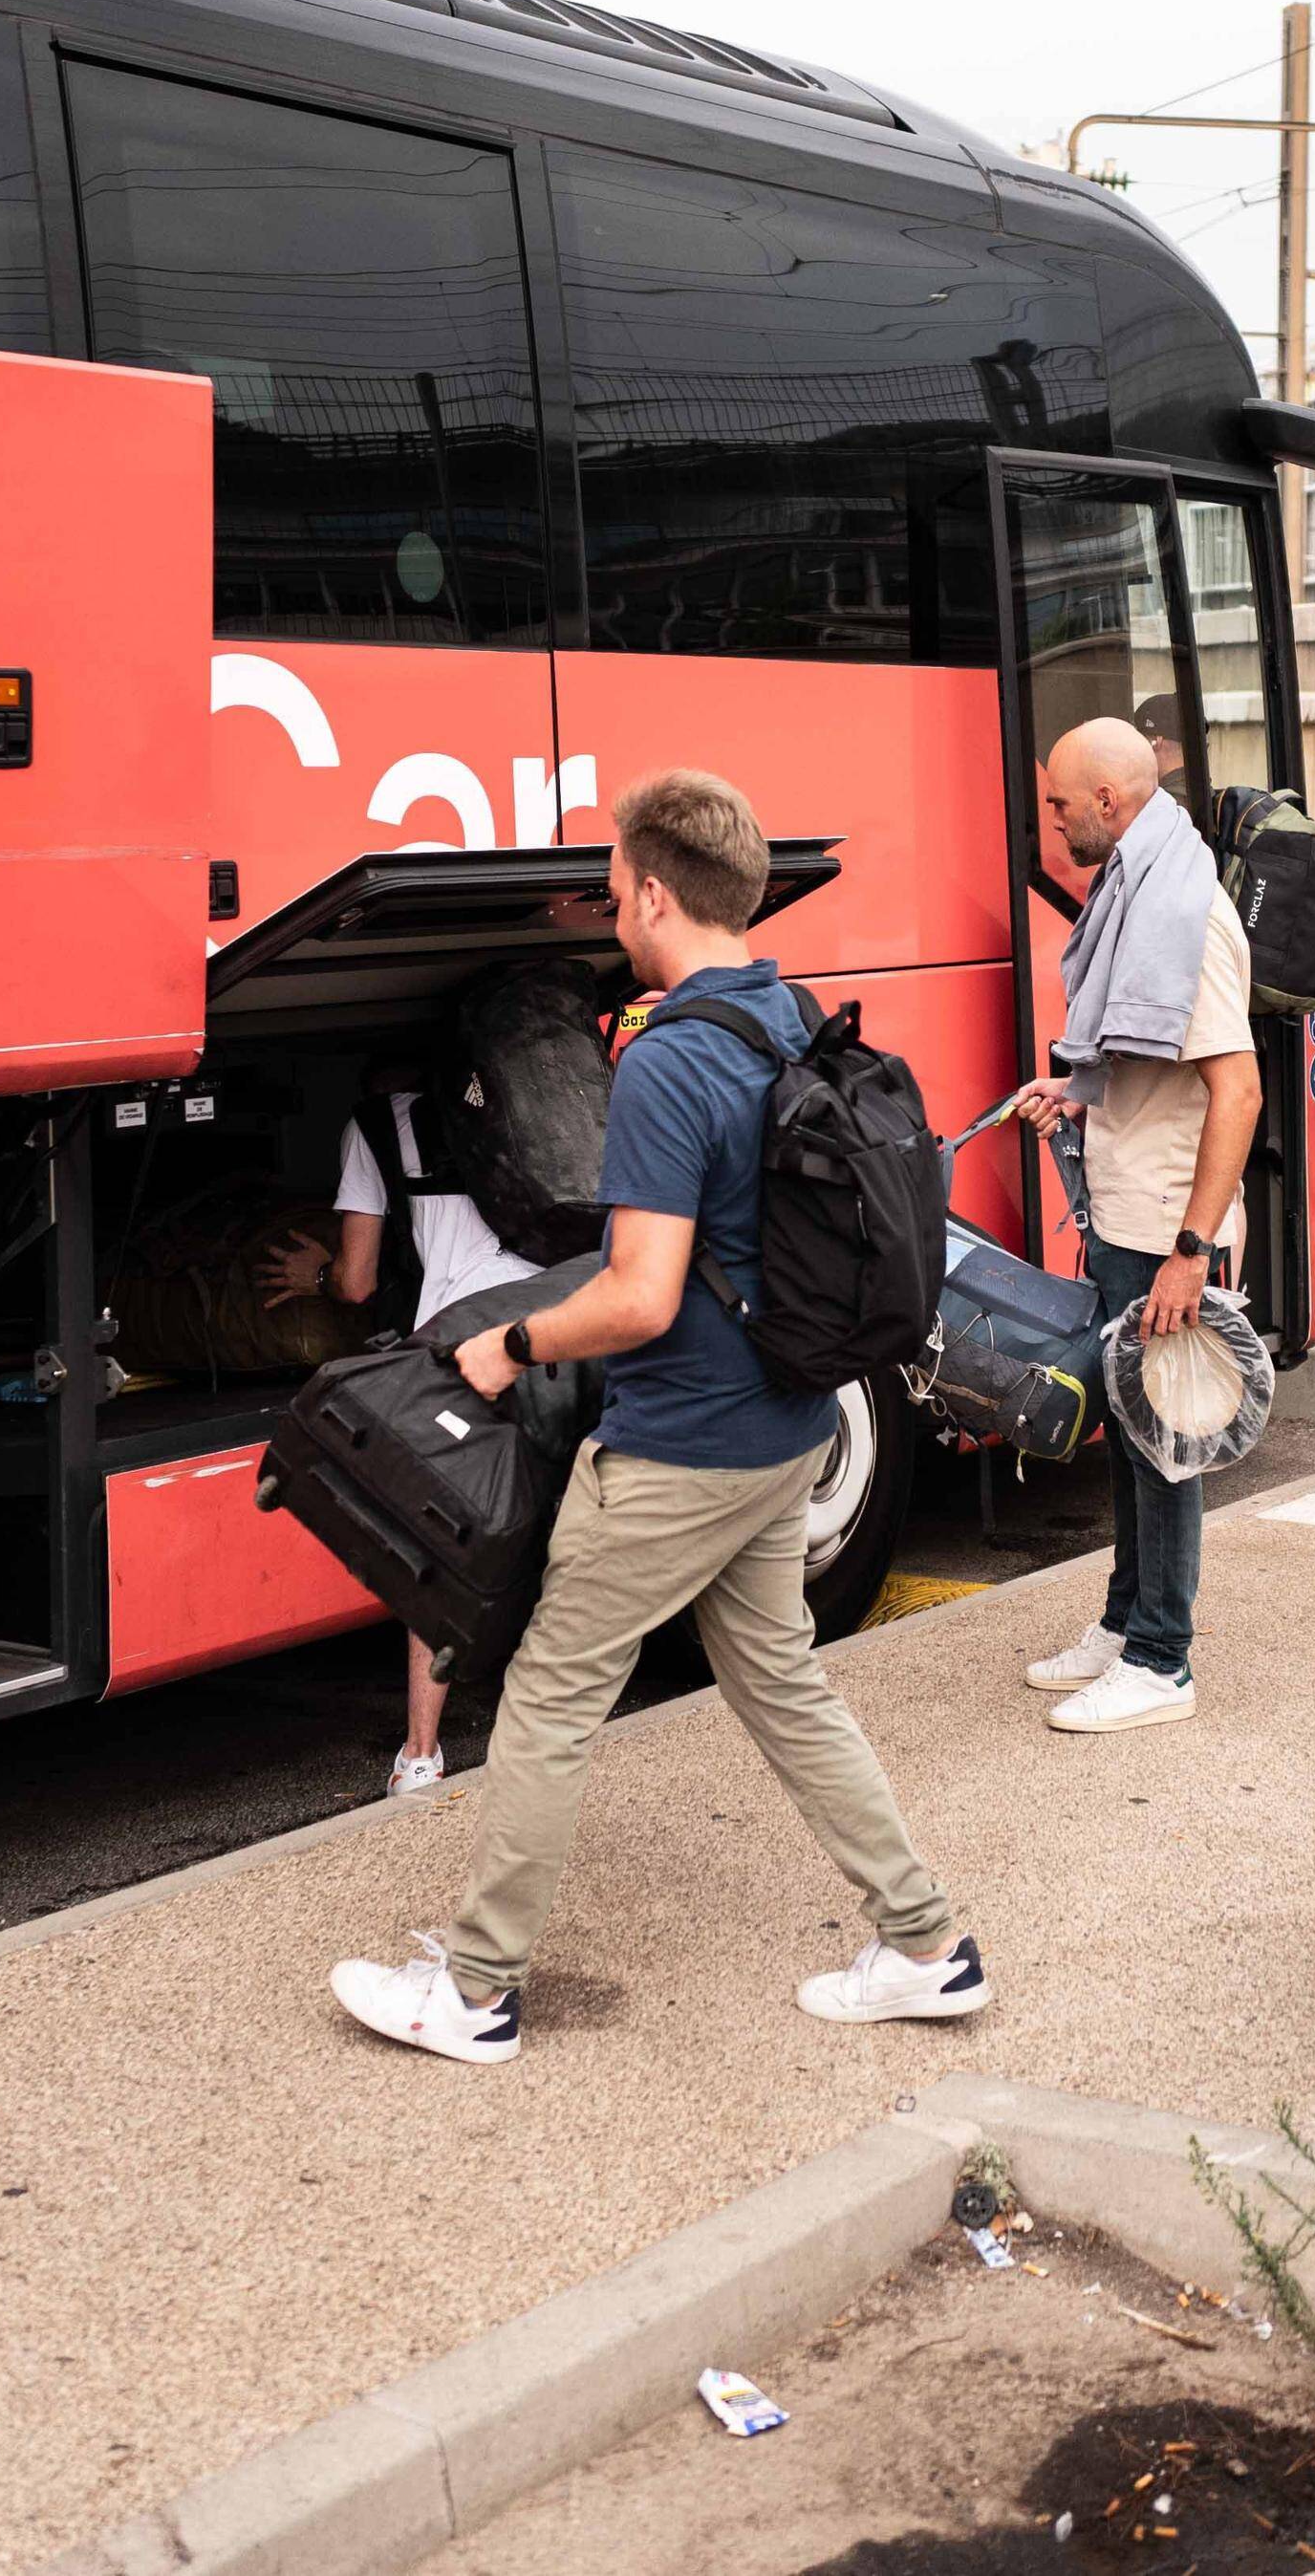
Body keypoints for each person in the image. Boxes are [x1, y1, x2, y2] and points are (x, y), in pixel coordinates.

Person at [329, 769, 981, 2065]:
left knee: (553, 1691)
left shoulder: (671, 1058)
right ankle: (924, 1944)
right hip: (787, 1424)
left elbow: (637, 1296)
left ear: (654, 894)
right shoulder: (786, 1014)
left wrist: (508, 1345)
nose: (611, 905)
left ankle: (475, 1991)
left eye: (619, 887)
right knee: (783, 1684)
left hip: (683, 1439)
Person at [1015, 716, 1261, 1733]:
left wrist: (1189, 1256)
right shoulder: (1135, 890)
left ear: (1109, 804)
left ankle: (1161, 1662)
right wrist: (1078, 1093)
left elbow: (1236, 1091)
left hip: (1169, 1232)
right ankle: (1124, 1625)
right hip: (1129, 1219)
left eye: (1061, 804)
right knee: (1128, 1434)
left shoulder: (1185, 913)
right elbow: (1149, 1064)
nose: (1055, 819)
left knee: (1164, 1447)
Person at [278, 1077, 540, 1795]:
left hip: (466, 1339)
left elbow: (359, 1281)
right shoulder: (536, 1090)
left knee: (440, 1537)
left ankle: (421, 1756)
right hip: (562, 1312)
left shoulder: (376, 1120)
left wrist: (322, 1272)